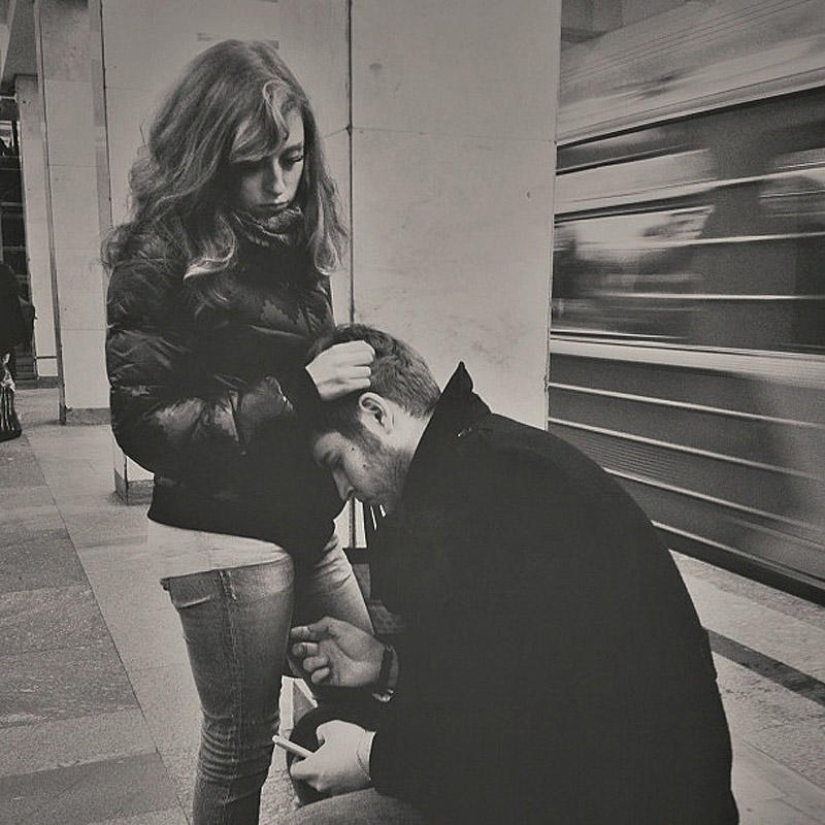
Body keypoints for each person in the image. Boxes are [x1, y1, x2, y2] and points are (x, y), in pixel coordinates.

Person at [285, 324, 739, 825]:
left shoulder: (479, 502)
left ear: (377, 415)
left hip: (627, 798)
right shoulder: (484, 464)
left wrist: (369, 756)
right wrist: (385, 664)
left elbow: (496, 745)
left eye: (337, 462)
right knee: (316, 737)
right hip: (607, 764)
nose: (342, 489)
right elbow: (507, 677)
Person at [103, 41, 374, 825]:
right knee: (240, 737)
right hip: (218, 532)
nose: (279, 182)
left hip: (301, 517)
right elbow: (144, 423)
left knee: (361, 674)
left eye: (292, 157)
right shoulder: (160, 252)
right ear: (207, 156)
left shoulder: (291, 238)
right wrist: (290, 391)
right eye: (255, 163)